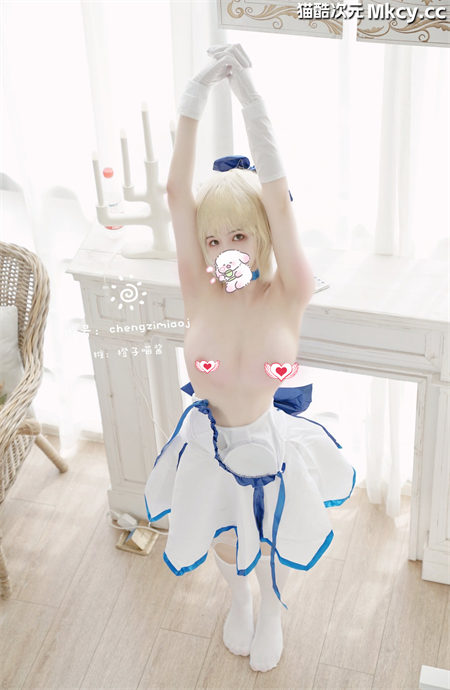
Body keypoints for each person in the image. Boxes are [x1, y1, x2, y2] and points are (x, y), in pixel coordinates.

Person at [144, 43, 356, 673]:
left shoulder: (289, 291)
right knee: (219, 532)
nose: (225, 249)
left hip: (268, 437)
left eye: (239, 234)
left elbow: (278, 195)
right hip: (207, 439)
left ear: (261, 236)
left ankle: (271, 611)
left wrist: (250, 100)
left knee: (269, 536)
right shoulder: (199, 289)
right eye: (213, 238)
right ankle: (238, 599)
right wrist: (195, 94)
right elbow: (175, 192)